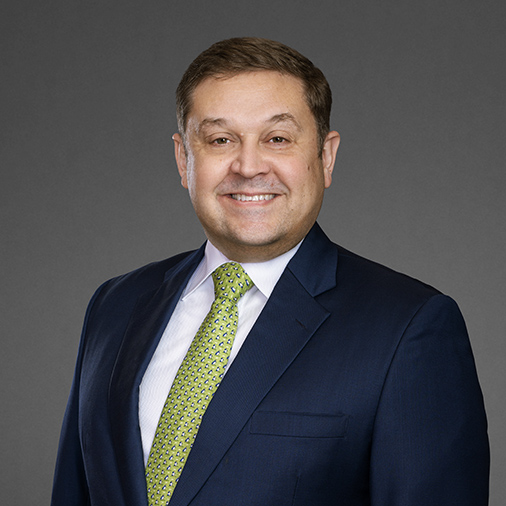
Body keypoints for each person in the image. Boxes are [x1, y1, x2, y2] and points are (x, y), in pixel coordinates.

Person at [51, 37, 489, 506]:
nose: (248, 166)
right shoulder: (115, 305)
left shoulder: (410, 327)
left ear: (325, 157)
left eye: (277, 139)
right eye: (220, 140)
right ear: (183, 159)